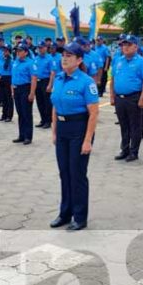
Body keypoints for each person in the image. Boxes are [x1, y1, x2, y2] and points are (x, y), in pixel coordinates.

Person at [49, 42, 100, 231]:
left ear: (79, 60)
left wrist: (87, 140)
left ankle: (79, 217)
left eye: (70, 55)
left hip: (79, 130)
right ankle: (65, 213)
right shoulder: (59, 79)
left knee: (77, 174)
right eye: (64, 54)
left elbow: (94, 114)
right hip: (62, 130)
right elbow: (55, 105)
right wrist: (54, 131)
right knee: (64, 173)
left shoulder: (86, 82)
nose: (65, 58)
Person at [111, 34, 143, 162]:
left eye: (128, 45)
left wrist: (142, 97)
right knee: (124, 125)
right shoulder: (118, 60)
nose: (125, 47)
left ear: (135, 46)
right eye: (123, 45)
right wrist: (112, 96)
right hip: (120, 98)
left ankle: (134, 152)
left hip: (134, 97)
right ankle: (125, 149)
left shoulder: (141, 61)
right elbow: (113, 79)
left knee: (135, 126)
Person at [11, 42, 36, 145]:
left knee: (26, 114)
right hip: (17, 89)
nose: (18, 52)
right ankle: (21, 135)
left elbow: (33, 79)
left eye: (20, 50)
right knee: (20, 113)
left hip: (25, 88)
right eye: (17, 50)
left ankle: (28, 136)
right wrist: (12, 90)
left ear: (26, 52)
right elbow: (13, 77)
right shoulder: (15, 62)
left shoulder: (30, 63)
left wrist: (32, 93)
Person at [33, 41, 53, 129]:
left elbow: (53, 73)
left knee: (47, 103)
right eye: (39, 48)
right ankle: (43, 119)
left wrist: (50, 85)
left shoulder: (49, 58)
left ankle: (48, 121)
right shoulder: (36, 58)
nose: (40, 49)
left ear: (46, 48)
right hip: (37, 81)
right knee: (39, 102)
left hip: (45, 81)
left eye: (41, 47)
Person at [0, 45, 14, 123]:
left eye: (6, 51)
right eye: (3, 51)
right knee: (3, 98)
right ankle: (4, 115)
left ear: (9, 51)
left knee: (9, 99)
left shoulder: (11, 60)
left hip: (8, 79)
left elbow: (12, 72)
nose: (4, 52)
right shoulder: (1, 59)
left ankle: (9, 115)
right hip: (1, 79)